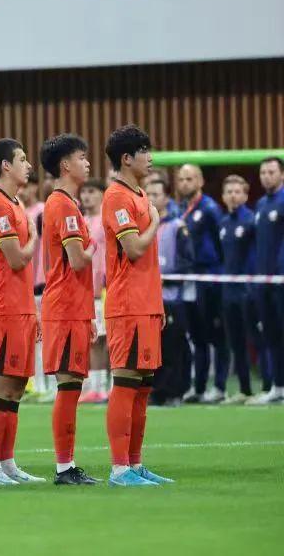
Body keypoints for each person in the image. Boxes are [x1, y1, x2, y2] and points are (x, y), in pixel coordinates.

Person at [101, 124, 172, 486]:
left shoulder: (140, 194)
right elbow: (133, 249)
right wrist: (156, 221)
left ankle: (135, 463)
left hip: (146, 304)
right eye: (144, 151)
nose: (150, 157)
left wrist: (157, 305)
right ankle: (119, 469)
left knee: (143, 387)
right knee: (126, 384)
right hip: (127, 304)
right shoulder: (116, 197)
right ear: (126, 158)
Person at [0, 139, 43, 485]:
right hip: (1, 308)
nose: (28, 165)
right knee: (1, 386)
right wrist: (35, 238)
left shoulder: (16, 204)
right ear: (5, 165)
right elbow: (16, 258)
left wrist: (32, 309)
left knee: (16, 388)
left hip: (20, 306)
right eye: (22, 159)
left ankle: (7, 463)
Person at [39, 134, 100, 485]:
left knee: (72, 385)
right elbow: (77, 260)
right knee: (68, 386)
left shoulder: (66, 203)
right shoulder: (62, 204)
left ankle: (67, 465)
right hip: (63, 306)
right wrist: (95, 245)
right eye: (81, 157)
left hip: (73, 306)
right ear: (65, 165)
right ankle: (64, 467)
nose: (87, 163)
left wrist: (88, 313)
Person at [175, 164, 226, 404]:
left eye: (189, 178)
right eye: (181, 179)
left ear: (200, 181)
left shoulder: (210, 209)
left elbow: (221, 244)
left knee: (216, 335)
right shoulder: (180, 210)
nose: (185, 183)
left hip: (210, 279)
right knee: (196, 336)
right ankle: (199, 387)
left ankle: (220, 386)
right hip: (189, 279)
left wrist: (218, 274)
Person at [146, 177, 193, 407]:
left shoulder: (177, 226)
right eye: (148, 194)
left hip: (172, 298)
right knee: (153, 348)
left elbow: (188, 262)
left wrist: (169, 278)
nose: (151, 199)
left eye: (156, 194)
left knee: (174, 346)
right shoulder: (141, 228)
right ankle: (156, 391)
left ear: (166, 198)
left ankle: (175, 391)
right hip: (147, 300)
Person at [218, 175, 259, 404]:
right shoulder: (223, 224)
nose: (233, 195)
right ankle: (245, 389)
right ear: (223, 197)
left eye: (237, 191)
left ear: (245, 195)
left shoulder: (252, 221)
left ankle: (270, 386)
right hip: (228, 292)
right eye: (229, 192)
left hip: (249, 290)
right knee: (236, 343)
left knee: (258, 340)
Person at [248, 156, 284, 405]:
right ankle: (277, 386)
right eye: (263, 173)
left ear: (281, 174)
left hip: (281, 280)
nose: (267, 177)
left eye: (271, 172)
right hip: (263, 282)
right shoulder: (260, 205)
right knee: (271, 335)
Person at [79, 178, 110, 403]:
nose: (86, 196)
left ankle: (108, 386)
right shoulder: (80, 221)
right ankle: (95, 387)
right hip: (84, 289)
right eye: (84, 192)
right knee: (91, 339)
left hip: (105, 288)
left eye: (91, 191)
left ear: (102, 195)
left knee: (106, 340)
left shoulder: (106, 220)